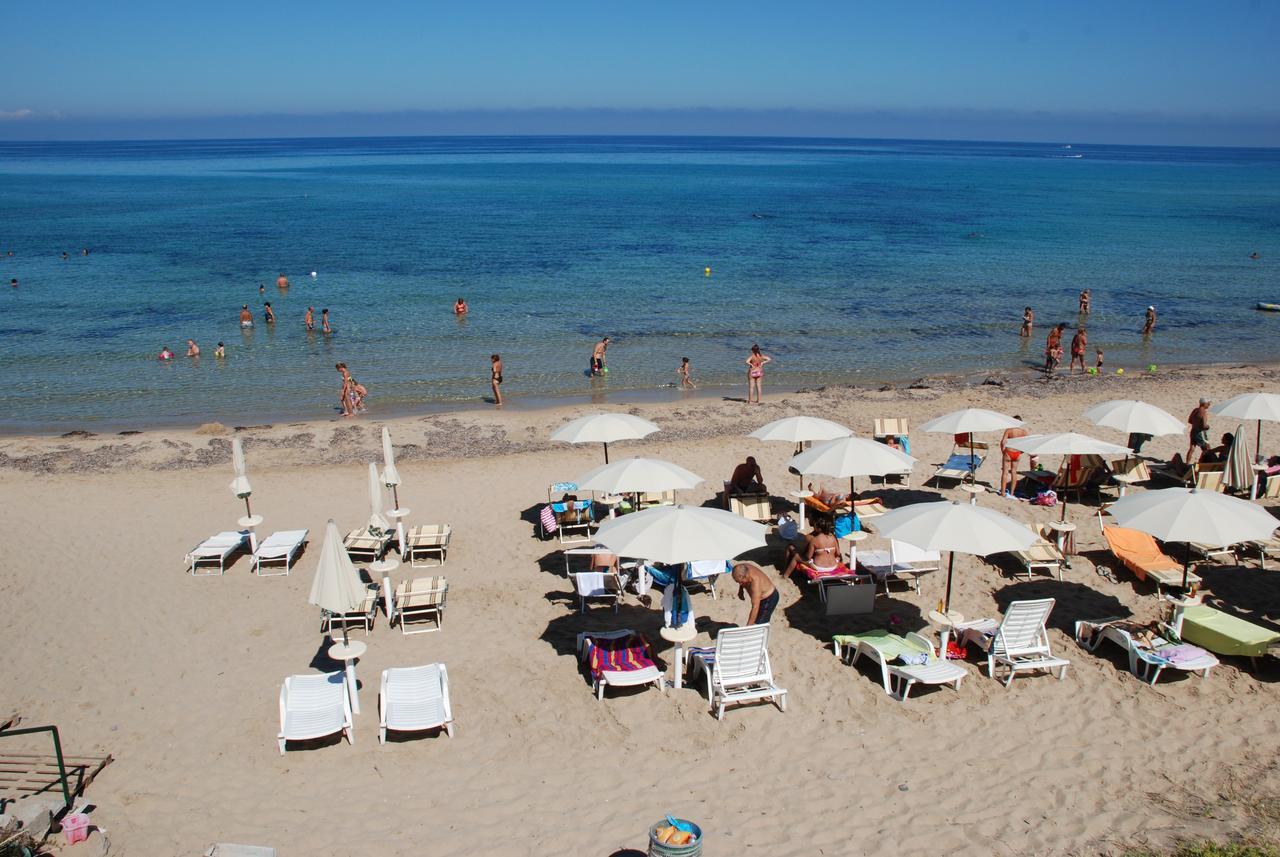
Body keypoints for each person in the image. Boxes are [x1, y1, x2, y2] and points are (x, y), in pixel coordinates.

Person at [999, 418, 1029, 498]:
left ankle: (1002, 492)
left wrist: (1003, 451)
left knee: (1005, 472)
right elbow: (1028, 444)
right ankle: (1012, 493)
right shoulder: (1024, 431)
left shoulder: (1009, 430)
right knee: (1014, 472)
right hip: (1017, 453)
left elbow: (1003, 442)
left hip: (1008, 452)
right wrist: (1021, 452)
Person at [1187, 397, 1212, 463]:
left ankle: (1187, 463)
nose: (1209, 405)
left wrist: (1196, 423)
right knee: (1207, 449)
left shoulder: (1195, 410)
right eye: (1208, 403)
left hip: (1193, 431)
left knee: (1192, 449)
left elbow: (1190, 421)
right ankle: (1203, 463)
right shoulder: (1203, 412)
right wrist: (1208, 427)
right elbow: (1204, 426)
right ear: (1204, 404)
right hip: (1199, 433)